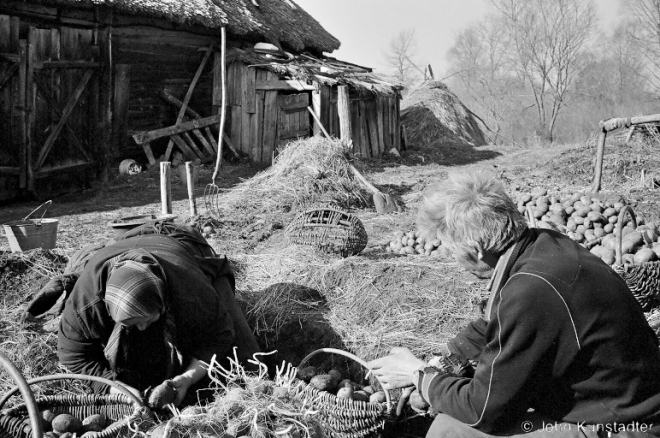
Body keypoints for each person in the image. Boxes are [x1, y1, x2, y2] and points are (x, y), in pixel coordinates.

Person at [368, 172, 660, 438]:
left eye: (452, 252)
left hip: (620, 425)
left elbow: (485, 412)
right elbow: (494, 321)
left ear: (476, 251)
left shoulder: (531, 290)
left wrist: (419, 377)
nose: (453, 261)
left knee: (447, 433)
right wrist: (445, 360)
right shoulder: (542, 245)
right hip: (612, 401)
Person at [57, 220, 260, 406]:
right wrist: (112, 387)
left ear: (163, 303)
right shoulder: (85, 306)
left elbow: (220, 335)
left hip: (179, 247)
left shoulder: (191, 293)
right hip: (123, 244)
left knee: (249, 362)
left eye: (147, 319)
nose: (143, 328)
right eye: (132, 323)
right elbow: (72, 355)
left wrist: (188, 377)